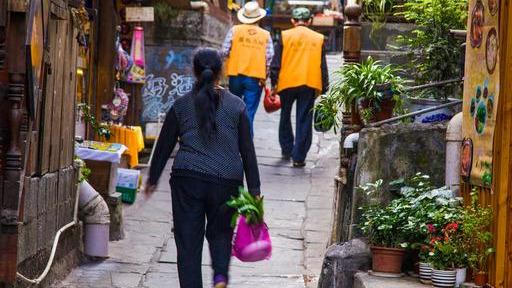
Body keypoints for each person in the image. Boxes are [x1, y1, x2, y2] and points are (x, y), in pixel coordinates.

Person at [144, 48, 261, 288]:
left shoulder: (181, 105)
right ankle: (220, 276)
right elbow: (247, 151)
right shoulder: (237, 106)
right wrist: (255, 190)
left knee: (188, 241)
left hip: (188, 179)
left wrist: (152, 179)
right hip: (227, 180)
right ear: (221, 72)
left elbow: (164, 147)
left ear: (194, 71)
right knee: (221, 233)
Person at [270, 7, 329, 168]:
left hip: (287, 82)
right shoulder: (318, 38)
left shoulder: (285, 36)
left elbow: (275, 63)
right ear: (309, 21)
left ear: (293, 21)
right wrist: (325, 87)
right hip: (309, 82)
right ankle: (299, 157)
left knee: (285, 115)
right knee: (304, 118)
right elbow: (322, 65)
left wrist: (274, 84)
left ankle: (287, 149)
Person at [222, 1, 274, 135]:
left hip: (235, 75)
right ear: (259, 17)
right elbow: (269, 59)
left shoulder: (235, 30)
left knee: (233, 109)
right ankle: (246, 147)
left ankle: (231, 141)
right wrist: (265, 77)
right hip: (255, 78)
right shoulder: (265, 35)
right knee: (248, 112)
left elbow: (224, 51)